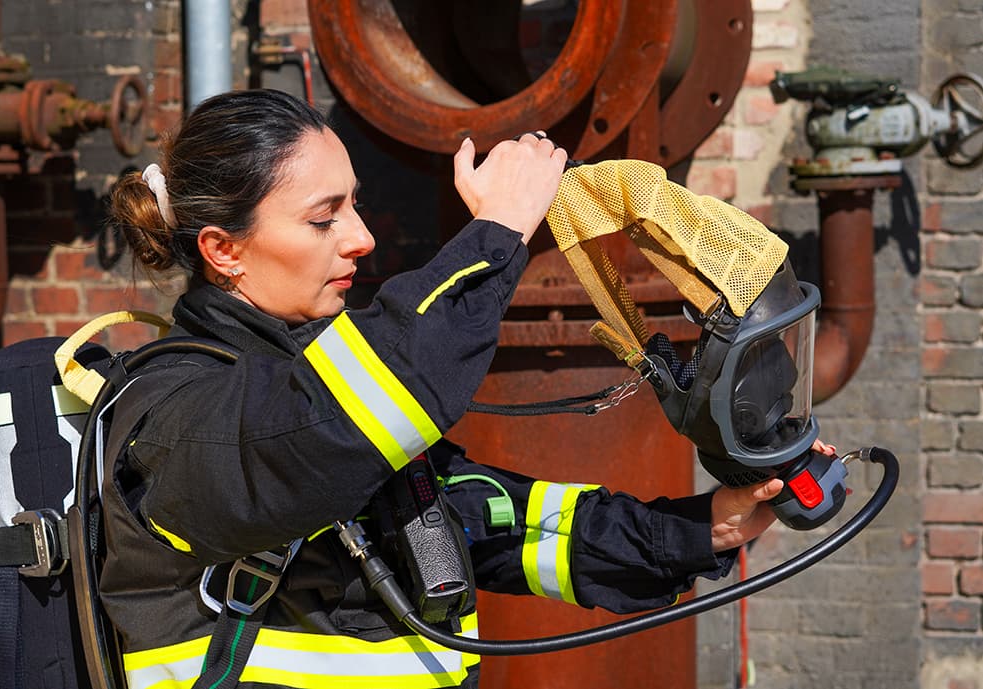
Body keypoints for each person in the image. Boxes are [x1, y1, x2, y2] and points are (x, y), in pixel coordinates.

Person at [103, 88, 832, 689]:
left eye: (354, 206)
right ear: (223, 250)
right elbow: (334, 424)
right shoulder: (175, 414)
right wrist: (497, 231)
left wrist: (703, 529)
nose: (360, 237)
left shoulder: (319, 384)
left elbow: (496, 519)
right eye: (324, 218)